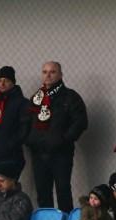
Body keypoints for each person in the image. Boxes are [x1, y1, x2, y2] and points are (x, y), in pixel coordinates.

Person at [25, 61, 88, 211]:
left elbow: (80, 122)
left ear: (60, 75)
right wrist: (30, 140)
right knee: (42, 192)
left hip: (61, 153)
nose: (48, 75)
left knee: (63, 191)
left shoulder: (70, 97)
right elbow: (26, 121)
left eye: (52, 72)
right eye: (44, 72)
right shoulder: (36, 98)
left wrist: (63, 140)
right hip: (39, 153)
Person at [0, 67, 31, 190]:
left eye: (6, 80)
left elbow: (25, 129)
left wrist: (9, 145)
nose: (2, 84)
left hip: (10, 157)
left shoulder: (22, 103)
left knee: (7, 191)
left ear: (13, 82)